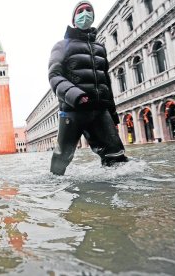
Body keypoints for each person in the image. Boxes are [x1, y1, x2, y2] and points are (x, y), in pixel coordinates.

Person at [48, 0, 128, 175]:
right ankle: (54, 191)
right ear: (74, 18)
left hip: (100, 110)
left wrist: (113, 117)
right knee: (62, 158)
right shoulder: (62, 45)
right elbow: (54, 76)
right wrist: (75, 95)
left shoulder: (100, 48)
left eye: (88, 10)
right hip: (72, 110)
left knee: (117, 157)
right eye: (81, 11)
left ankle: (114, 195)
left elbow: (106, 82)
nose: (85, 13)